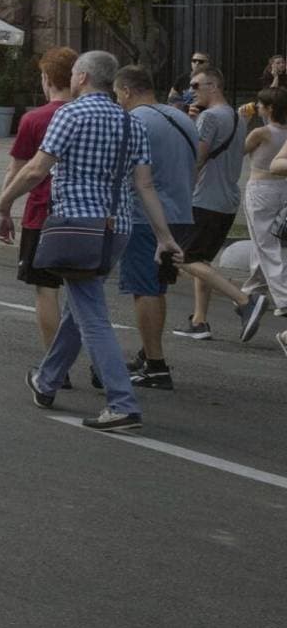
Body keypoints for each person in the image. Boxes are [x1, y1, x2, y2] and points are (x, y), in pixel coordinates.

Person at [0, 51, 183, 432]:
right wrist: (165, 237)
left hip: (77, 224)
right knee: (79, 307)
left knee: (91, 315)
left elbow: (36, 168)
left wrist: (3, 201)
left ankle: (122, 402)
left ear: (80, 77)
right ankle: (46, 381)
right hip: (118, 229)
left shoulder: (71, 114)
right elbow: (144, 185)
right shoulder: (131, 122)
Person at [112, 65, 197, 391]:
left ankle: (157, 366)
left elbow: (128, 172)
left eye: (118, 95)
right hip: (181, 212)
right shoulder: (183, 119)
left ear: (127, 91)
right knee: (157, 287)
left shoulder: (135, 121)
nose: (118, 101)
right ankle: (148, 354)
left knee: (144, 289)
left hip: (146, 217)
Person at [170, 66, 262, 340]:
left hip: (203, 198)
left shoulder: (209, 118)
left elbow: (196, 158)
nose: (191, 91)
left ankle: (245, 300)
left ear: (214, 86)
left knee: (182, 258)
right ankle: (199, 321)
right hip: (227, 200)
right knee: (202, 260)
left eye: (196, 86)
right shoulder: (236, 115)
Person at [5, 46, 77, 352]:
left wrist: (4, 207)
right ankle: (97, 358)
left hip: (42, 212)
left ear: (46, 79)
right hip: (88, 214)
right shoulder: (93, 116)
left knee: (46, 290)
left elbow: (19, 169)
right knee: (82, 292)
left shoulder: (34, 119)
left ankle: (55, 362)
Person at [240, 88, 287, 325]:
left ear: (269, 109)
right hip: (282, 188)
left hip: (261, 189)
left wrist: (242, 120)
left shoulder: (261, 132)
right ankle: (252, 292)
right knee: (269, 242)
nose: (257, 108)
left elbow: (239, 150)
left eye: (260, 105)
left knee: (265, 244)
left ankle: (283, 298)